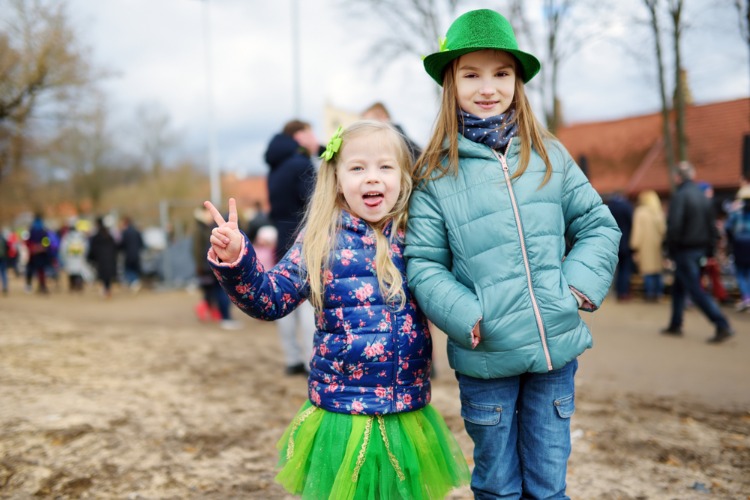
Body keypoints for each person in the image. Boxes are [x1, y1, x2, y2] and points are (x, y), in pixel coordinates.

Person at [404, 10, 620, 498]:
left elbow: (597, 224)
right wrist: (466, 313)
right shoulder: (435, 174)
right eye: (471, 74)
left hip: (554, 351)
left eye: (501, 73)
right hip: (487, 355)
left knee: (547, 486)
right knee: (498, 487)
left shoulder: (548, 154)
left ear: (517, 81)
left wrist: (576, 286)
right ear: (450, 83)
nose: (488, 87)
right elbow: (423, 262)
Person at [204, 120, 470, 499]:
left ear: (403, 176)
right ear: (337, 177)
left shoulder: (418, 234)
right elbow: (271, 298)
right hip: (344, 412)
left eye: (385, 167)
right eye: (358, 168)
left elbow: (451, 287)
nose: (372, 178)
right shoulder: (319, 239)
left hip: (406, 409)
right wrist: (238, 261)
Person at [265, 119, 318, 375]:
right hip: (303, 239)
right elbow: (315, 202)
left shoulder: (275, 168)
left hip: (281, 237)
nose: (314, 137)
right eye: (309, 132)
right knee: (309, 300)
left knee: (282, 294)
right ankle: (311, 360)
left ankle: (291, 357)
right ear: (298, 135)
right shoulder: (300, 164)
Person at [662, 162, 734, 343]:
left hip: (685, 249)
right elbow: (712, 227)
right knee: (680, 286)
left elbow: (675, 225)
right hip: (699, 249)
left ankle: (721, 323)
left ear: (678, 177)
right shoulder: (703, 197)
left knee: (695, 289)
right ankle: (675, 323)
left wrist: (670, 248)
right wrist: (710, 250)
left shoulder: (680, 196)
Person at [192, 206, 241, 330]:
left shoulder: (206, 227)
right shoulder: (200, 229)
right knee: (219, 292)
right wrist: (201, 266)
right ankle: (224, 317)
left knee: (212, 293)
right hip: (209, 266)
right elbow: (197, 250)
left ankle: (220, 315)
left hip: (211, 265)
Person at [697, 182, 731, 304]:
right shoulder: (704, 208)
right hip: (704, 247)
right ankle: (704, 295)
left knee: (709, 272)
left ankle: (720, 295)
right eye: (709, 191)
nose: (711, 194)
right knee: (703, 272)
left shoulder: (706, 207)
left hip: (706, 247)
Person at [630, 190, 666, 302]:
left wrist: (634, 245)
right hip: (657, 246)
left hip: (645, 246)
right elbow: (663, 230)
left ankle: (650, 294)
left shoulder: (640, 212)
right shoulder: (659, 212)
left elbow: (637, 230)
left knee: (647, 271)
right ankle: (659, 293)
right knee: (657, 271)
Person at [725, 185, 750, 311]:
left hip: (740, 245)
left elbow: (728, 227)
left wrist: (732, 240)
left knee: (740, 273)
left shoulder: (736, 211)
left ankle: (746, 297)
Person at [606, 192, 634, 301]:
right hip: (625, 243)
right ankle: (623, 292)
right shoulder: (627, 207)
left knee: (611, 269)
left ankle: (613, 291)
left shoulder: (609, 207)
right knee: (624, 269)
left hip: (611, 243)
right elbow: (632, 224)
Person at [87, 217, 118, 298]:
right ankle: (108, 290)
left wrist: (91, 258)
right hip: (109, 259)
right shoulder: (109, 236)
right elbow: (115, 247)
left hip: (101, 259)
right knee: (108, 276)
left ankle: (106, 290)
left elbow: (93, 249)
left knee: (103, 276)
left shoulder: (96, 237)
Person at [59, 219, 89, 292]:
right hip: (79, 257)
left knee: (72, 272)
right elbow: (86, 247)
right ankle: (78, 285)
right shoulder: (82, 236)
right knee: (78, 271)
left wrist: (64, 257)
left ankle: (73, 285)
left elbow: (63, 248)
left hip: (70, 257)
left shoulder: (67, 237)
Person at [24, 213, 50, 294]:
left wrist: (34, 247)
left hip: (34, 254)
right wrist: (41, 247)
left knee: (31, 270)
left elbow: (27, 242)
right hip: (40, 254)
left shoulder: (31, 231)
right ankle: (42, 286)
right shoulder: (43, 231)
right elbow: (46, 243)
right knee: (41, 271)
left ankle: (30, 285)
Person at [119, 216, 144, 292]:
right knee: (135, 268)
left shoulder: (125, 233)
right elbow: (141, 243)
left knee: (128, 269)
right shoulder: (137, 231)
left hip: (128, 254)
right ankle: (135, 281)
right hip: (136, 253)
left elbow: (122, 244)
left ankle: (134, 282)